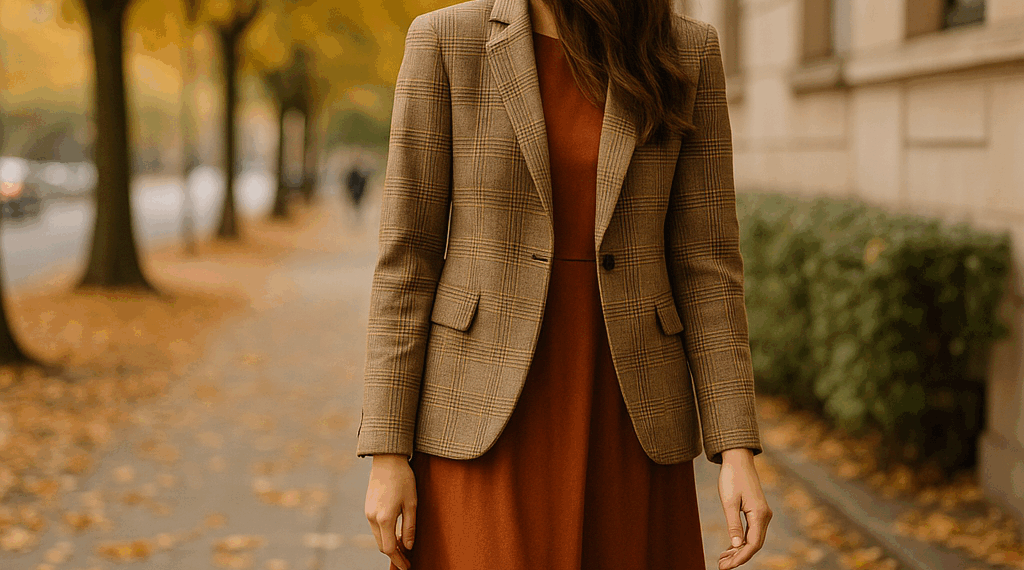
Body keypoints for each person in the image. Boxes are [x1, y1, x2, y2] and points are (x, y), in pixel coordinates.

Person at [357, 0, 773, 568]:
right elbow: (407, 261)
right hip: (483, 417)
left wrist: (736, 448)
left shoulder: (684, 49)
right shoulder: (446, 41)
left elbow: (708, 265)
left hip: (629, 416)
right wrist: (387, 450)